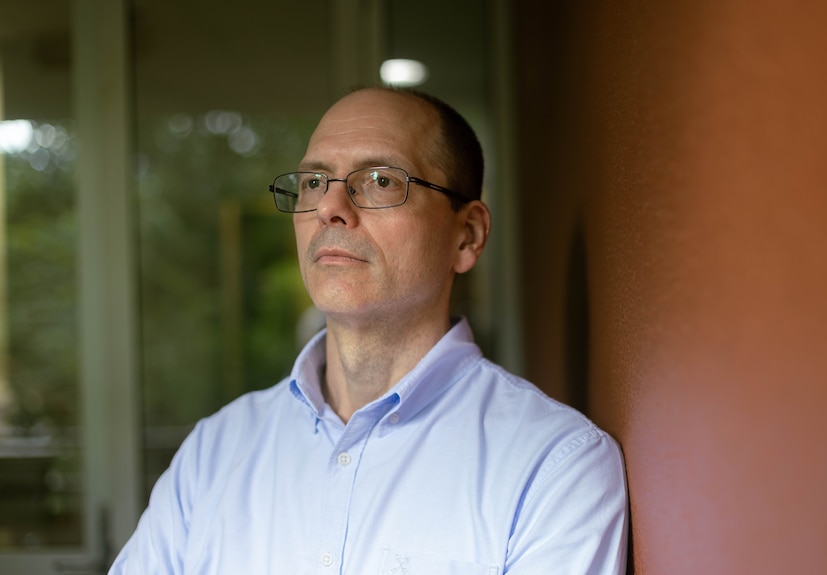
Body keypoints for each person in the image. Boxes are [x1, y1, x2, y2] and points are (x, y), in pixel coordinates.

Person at [109, 87, 628, 574]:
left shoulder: (554, 468)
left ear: (466, 235)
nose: (331, 208)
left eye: (380, 180)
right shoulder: (213, 453)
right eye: (314, 181)